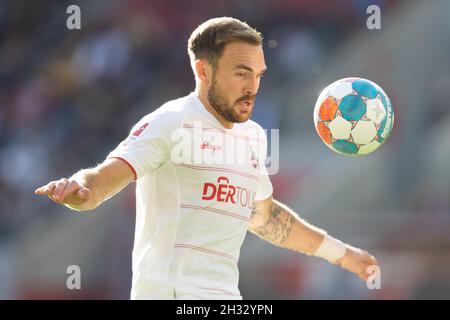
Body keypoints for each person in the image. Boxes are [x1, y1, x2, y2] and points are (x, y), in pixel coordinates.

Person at [35, 17, 378, 300]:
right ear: (203, 71)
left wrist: (342, 254)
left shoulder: (253, 137)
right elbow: (104, 177)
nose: (252, 86)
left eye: (258, 75)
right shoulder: (170, 122)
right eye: (241, 72)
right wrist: (80, 189)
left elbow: (265, 218)